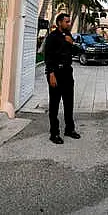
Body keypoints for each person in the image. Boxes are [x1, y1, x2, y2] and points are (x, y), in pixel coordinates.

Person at [43, 13, 81, 144]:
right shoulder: (52, 37)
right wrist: (51, 74)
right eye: (67, 22)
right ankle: (54, 133)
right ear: (59, 22)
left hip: (67, 72)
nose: (69, 24)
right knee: (54, 104)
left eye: (69, 22)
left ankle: (69, 129)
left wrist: (73, 43)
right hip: (55, 73)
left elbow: (75, 53)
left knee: (69, 102)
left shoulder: (69, 35)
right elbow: (48, 57)